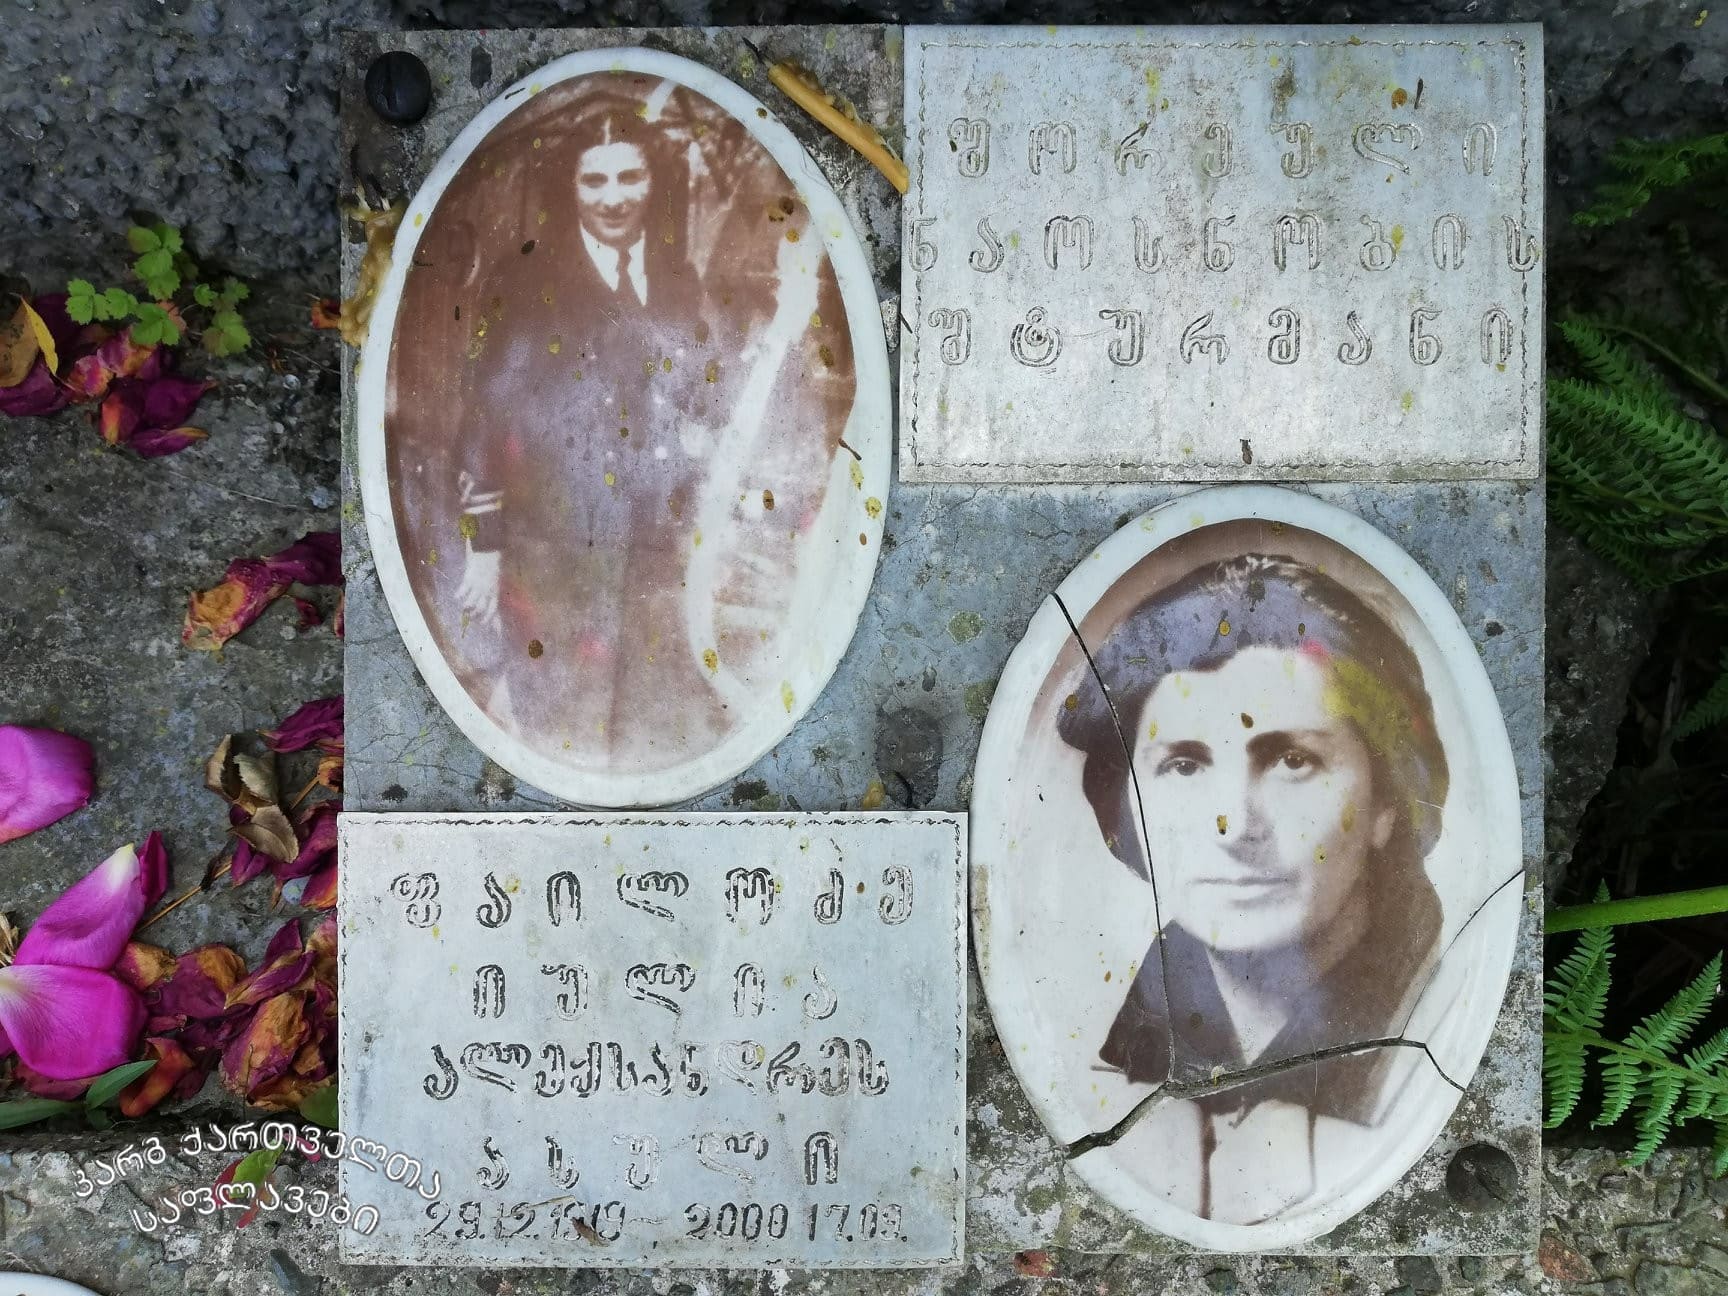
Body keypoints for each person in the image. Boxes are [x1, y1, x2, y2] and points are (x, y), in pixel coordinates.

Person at [1056, 551, 1450, 1225]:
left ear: (1388, 800)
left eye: (1293, 760)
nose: (1234, 824)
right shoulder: (1124, 1041)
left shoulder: (1437, 1023)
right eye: (1184, 765)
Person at [450, 94, 736, 771]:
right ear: (571, 187)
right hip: (551, 538)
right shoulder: (525, 279)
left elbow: (701, 400)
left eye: (630, 176)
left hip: (650, 541)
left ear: (653, 182)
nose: (614, 198)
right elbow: (486, 413)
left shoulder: (676, 278)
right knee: (555, 709)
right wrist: (484, 546)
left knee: (642, 707)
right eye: (595, 179)